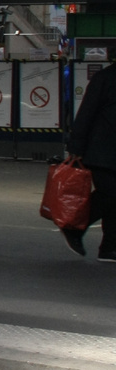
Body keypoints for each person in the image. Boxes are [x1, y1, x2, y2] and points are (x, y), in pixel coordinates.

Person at [66, 64, 116, 261]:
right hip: (100, 150)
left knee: (114, 199)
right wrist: (76, 147)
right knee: (110, 193)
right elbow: (87, 111)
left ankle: (109, 247)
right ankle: (74, 227)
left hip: (107, 150)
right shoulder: (105, 78)